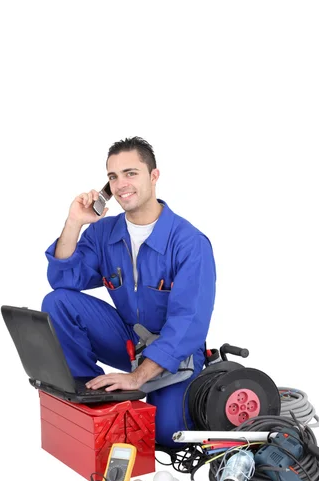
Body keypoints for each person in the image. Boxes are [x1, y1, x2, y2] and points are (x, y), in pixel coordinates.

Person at [42, 137, 216, 446]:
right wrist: (74, 222)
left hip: (175, 351)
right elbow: (63, 280)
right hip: (129, 340)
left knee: (166, 435)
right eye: (113, 177)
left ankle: (171, 391)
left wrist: (137, 378)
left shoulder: (190, 243)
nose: (121, 184)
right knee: (58, 303)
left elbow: (189, 323)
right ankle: (91, 394)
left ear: (153, 176)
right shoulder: (103, 233)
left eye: (131, 173)